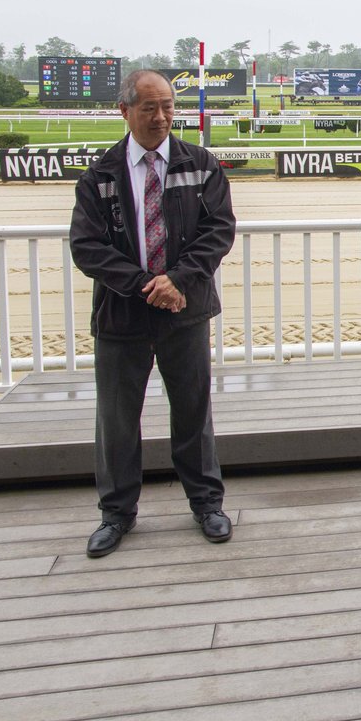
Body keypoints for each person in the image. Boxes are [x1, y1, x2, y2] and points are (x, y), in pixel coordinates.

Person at [70, 69, 236, 557]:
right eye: (149, 107)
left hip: (185, 312)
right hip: (122, 318)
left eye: (167, 106)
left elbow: (218, 231)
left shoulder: (201, 164)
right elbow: (87, 248)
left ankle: (207, 504)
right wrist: (148, 285)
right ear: (125, 111)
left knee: (193, 414)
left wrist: (177, 281)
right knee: (117, 421)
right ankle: (116, 514)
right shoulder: (99, 174)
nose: (161, 116)